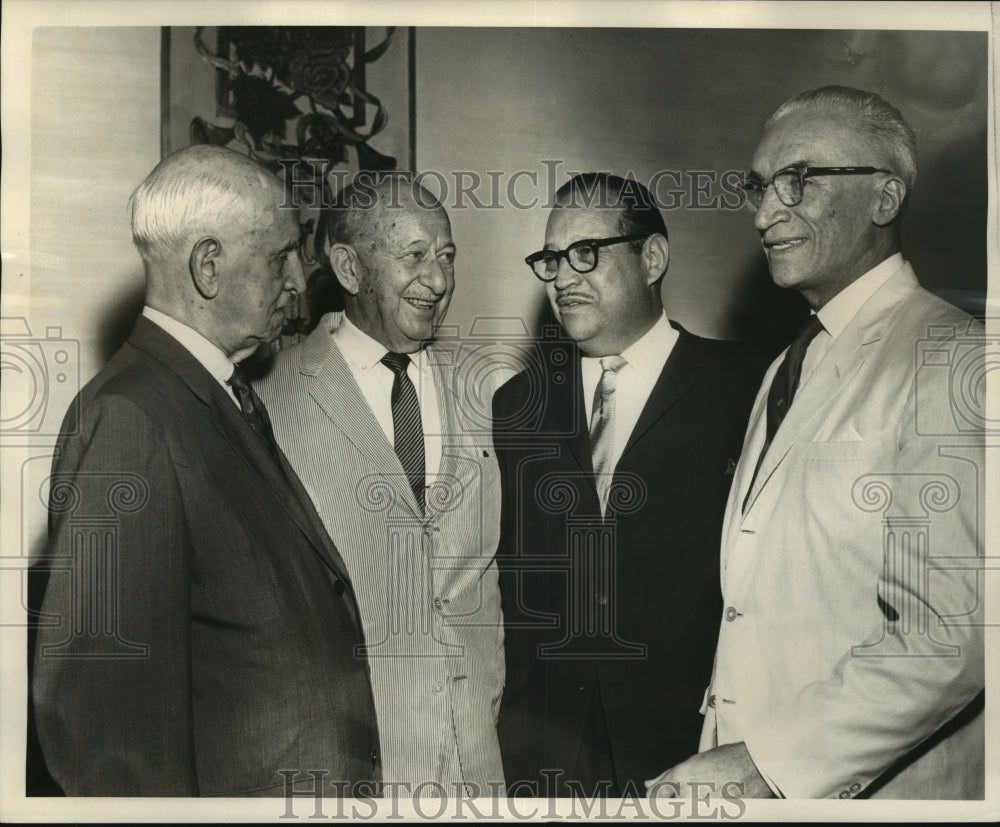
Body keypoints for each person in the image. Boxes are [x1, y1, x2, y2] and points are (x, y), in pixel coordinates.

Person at [649, 86, 985, 800]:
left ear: (885, 197)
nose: (767, 213)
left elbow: (949, 640)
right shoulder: (786, 363)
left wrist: (762, 762)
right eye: (760, 186)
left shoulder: (953, 356)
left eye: (799, 179)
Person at [31, 145, 381, 796]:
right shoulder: (131, 419)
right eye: (281, 256)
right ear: (209, 265)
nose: (300, 282)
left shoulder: (216, 392)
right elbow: (107, 738)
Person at [492, 173, 768, 797]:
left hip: (689, 755)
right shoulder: (516, 406)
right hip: (545, 760)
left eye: (586, 253)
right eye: (551, 259)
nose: (562, 278)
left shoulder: (744, 389)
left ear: (652, 258)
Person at [259, 175, 504, 796]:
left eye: (447, 256)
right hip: (348, 775)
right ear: (348, 266)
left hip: (478, 770)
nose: (440, 280)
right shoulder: (271, 397)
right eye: (414, 256)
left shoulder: (488, 391)